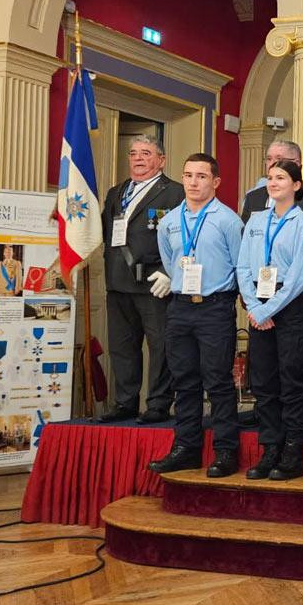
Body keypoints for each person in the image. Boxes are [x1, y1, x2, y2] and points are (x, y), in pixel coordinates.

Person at [149, 153, 243, 477]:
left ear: (215, 182)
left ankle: (225, 451)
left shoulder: (228, 220)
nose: (193, 182)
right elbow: (169, 259)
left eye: (201, 176)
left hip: (215, 305)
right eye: (188, 175)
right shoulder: (169, 222)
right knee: (184, 380)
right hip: (179, 307)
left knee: (217, 381)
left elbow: (240, 264)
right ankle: (185, 448)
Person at [237, 159, 303, 481]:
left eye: (281, 178)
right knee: (264, 382)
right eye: (270, 177)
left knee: (292, 380)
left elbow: (299, 277)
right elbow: (243, 266)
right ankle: (270, 446)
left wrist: (268, 310)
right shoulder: (256, 220)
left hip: (290, 306)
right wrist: (254, 306)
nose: (273, 182)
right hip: (258, 304)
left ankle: (292, 451)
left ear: (296, 186)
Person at [100, 136, 184, 423]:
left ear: (161, 160)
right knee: (122, 346)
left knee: (160, 346)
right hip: (118, 281)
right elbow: (104, 232)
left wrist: (170, 271)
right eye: (133, 153)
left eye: (146, 153)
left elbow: (186, 239)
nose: (138, 158)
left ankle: (158, 403)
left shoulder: (175, 193)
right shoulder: (116, 192)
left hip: (154, 282)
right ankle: (125, 402)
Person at [241, 139, 303, 223]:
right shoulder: (252, 197)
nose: (272, 164)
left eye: (279, 159)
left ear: (296, 163)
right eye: (269, 159)